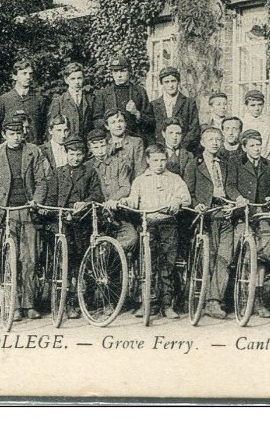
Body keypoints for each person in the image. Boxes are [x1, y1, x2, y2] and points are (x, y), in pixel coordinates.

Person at [0, 118, 49, 321]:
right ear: (4, 134)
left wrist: (37, 200)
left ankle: (29, 304)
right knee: (9, 259)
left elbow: (42, 181)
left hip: (27, 210)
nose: (16, 137)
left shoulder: (33, 151)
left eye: (19, 133)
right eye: (12, 133)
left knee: (30, 259)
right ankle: (13, 305)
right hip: (4, 211)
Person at [121, 143, 190, 319]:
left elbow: (186, 197)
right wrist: (125, 202)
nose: (159, 164)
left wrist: (178, 201)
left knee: (168, 264)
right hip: (148, 224)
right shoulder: (140, 180)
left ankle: (167, 305)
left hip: (168, 224)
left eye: (162, 160)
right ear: (148, 161)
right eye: (155, 160)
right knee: (148, 264)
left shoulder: (174, 179)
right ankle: (148, 303)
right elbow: (133, 201)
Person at [41, 134, 104, 319]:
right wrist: (50, 210)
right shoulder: (58, 173)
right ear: (66, 154)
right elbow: (51, 198)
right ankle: (66, 301)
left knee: (83, 260)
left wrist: (85, 203)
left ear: (84, 155)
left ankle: (83, 298)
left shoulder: (90, 172)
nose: (75, 158)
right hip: (61, 222)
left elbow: (97, 195)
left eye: (79, 154)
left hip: (81, 221)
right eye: (72, 154)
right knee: (64, 261)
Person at [225, 129, 270, 318]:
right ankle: (242, 296)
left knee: (264, 251)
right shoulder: (235, 162)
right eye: (252, 145)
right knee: (243, 250)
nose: (256, 149)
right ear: (245, 147)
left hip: (262, 213)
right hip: (243, 214)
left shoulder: (268, 164)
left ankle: (259, 299)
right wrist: (238, 198)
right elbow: (229, 185)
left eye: (259, 144)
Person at [184, 126, 232, 319]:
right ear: (203, 142)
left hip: (225, 214)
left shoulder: (226, 164)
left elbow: (232, 187)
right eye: (210, 139)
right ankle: (208, 300)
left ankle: (214, 300)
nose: (214, 143)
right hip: (207, 216)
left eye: (217, 140)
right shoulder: (194, 165)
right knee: (210, 258)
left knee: (224, 258)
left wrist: (232, 203)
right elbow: (189, 193)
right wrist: (197, 206)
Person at [84, 129, 139, 254]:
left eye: (102, 145)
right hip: (95, 215)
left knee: (131, 237)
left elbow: (125, 187)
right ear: (90, 148)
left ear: (108, 144)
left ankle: (112, 259)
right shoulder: (87, 167)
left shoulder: (120, 163)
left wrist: (112, 200)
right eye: (95, 147)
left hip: (118, 214)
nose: (100, 150)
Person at [91, 56, 153, 141]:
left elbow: (151, 121)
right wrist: (111, 125)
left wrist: (137, 113)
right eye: (115, 71)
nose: (119, 75)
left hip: (135, 139)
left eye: (123, 71)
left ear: (130, 72)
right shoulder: (103, 93)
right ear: (112, 73)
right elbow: (96, 121)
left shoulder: (140, 92)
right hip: (111, 140)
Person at [0, 58, 46, 145]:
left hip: (33, 146)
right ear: (14, 76)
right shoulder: (3, 100)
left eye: (30, 74)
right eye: (24, 73)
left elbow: (43, 127)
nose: (28, 77)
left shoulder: (39, 100)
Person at [151, 67, 201, 155]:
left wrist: (181, 147)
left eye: (173, 81)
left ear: (178, 82)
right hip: (160, 151)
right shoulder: (154, 104)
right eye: (166, 82)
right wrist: (161, 148)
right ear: (162, 84)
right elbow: (151, 130)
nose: (171, 85)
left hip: (184, 150)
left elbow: (194, 129)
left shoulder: (189, 103)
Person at [47, 62, 94, 140]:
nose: (77, 82)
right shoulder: (59, 101)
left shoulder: (90, 99)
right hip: (66, 144)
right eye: (73, 79)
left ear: (83, 78)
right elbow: (51, 129)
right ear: (66, 80)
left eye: (79, 78)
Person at [105, 109, 146, 179]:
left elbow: (140, 171)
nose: (118, 125)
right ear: (107, 126)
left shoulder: (136, 142)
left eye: (120, 121)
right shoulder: (105, 145)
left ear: (126, 123)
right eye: (113, 122)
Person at [239, 89, 270, 161]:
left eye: (260, 105)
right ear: (246, 105)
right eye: (253, 105)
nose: (257, 108)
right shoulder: (242, 122)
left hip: (267, 160)